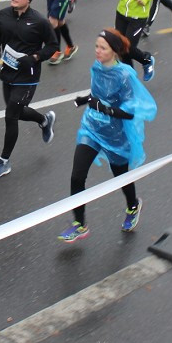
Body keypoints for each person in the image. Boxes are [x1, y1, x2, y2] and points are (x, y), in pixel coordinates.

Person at [60, 29, 158, 242]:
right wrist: (86, 99)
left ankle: (133, 206)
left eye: (102, 48)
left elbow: (130, 110)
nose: (97, 51)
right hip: (91, 128)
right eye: (96, 46)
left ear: (114, 51)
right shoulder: (96, 67)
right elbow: (99, 94)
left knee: (120, 177)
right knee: (77, 175)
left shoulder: (125, 75)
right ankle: (79, 224)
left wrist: (104, 108)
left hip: (115, 134)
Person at [0, 0, 59, 178]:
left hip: (28, 75)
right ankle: (44, 120)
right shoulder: (3, 15)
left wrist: (34, 58)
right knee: (15, 111)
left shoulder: (39, 22)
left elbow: (52, 46)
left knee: (10, 116)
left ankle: (3, 162)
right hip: (8, 70)